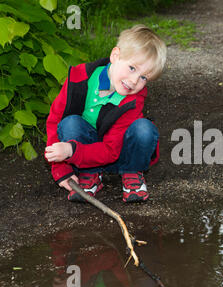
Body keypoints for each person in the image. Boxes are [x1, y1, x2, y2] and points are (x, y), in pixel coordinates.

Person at [45, 25, 166, 202]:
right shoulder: (79, 78)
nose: (134, 81)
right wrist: (60, 168)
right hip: (83, 153)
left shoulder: (133, 100)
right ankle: (90, 174)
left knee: (144, 129)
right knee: (70, 122)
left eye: (144, 78)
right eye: (132, 68)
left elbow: (111, 150)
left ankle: (131, 171)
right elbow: (55, 120)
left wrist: (71, 150)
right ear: (115, 56)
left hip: (117, 154)